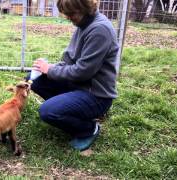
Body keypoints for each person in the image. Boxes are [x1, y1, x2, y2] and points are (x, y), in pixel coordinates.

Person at [27, 0, 119, 151]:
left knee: (48, 111)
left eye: (71, 13)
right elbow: (69, 60)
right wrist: (45, 68)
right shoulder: (83, 24)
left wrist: (50, 70)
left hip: (96, 95)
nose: (68, 17)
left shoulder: (99, 30)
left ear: (85, 8)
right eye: (66, 13)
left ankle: (89, 129)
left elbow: (82, 72)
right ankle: (73, 112)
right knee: (35, 80)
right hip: (79, 86)